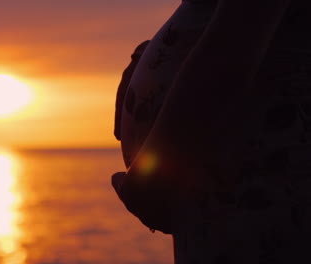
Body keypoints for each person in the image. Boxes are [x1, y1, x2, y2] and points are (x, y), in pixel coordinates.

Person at [112, 0, 311, 263]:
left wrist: (148, 184)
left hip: (261, 188)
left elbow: (233, 47)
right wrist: (156, 54)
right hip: (231, 193)